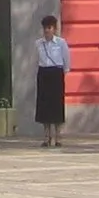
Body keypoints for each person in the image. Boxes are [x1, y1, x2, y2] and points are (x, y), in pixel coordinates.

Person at [35, 14, 70, 147]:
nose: (47, 31)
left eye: (49, 28)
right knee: (44, 106)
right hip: (43, 73)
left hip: (56, 73)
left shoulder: (61, 43)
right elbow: (37, 59)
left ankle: (58, 136)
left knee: (56, 105)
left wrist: (64, 72)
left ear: (54, 29)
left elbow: (66, 59)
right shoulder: (38, 43)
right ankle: (46, 137)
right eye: (45, 28)